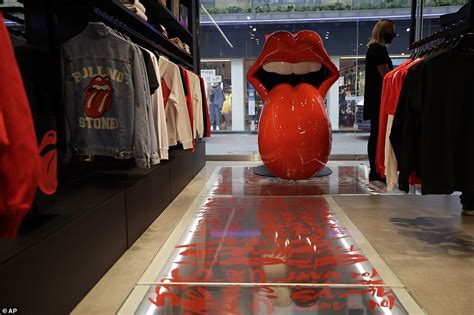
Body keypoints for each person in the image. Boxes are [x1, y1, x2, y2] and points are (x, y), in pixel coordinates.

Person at [363, 19, 396, 182]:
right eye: (391, 30)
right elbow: (386, 76)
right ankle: (375, 170)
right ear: (383, 32)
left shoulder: (375, 49)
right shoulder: (377, 50)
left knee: (377, 133)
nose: (394, 34)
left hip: (376, 98)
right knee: (377, 134)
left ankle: (376, 169)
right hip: (378, 99)